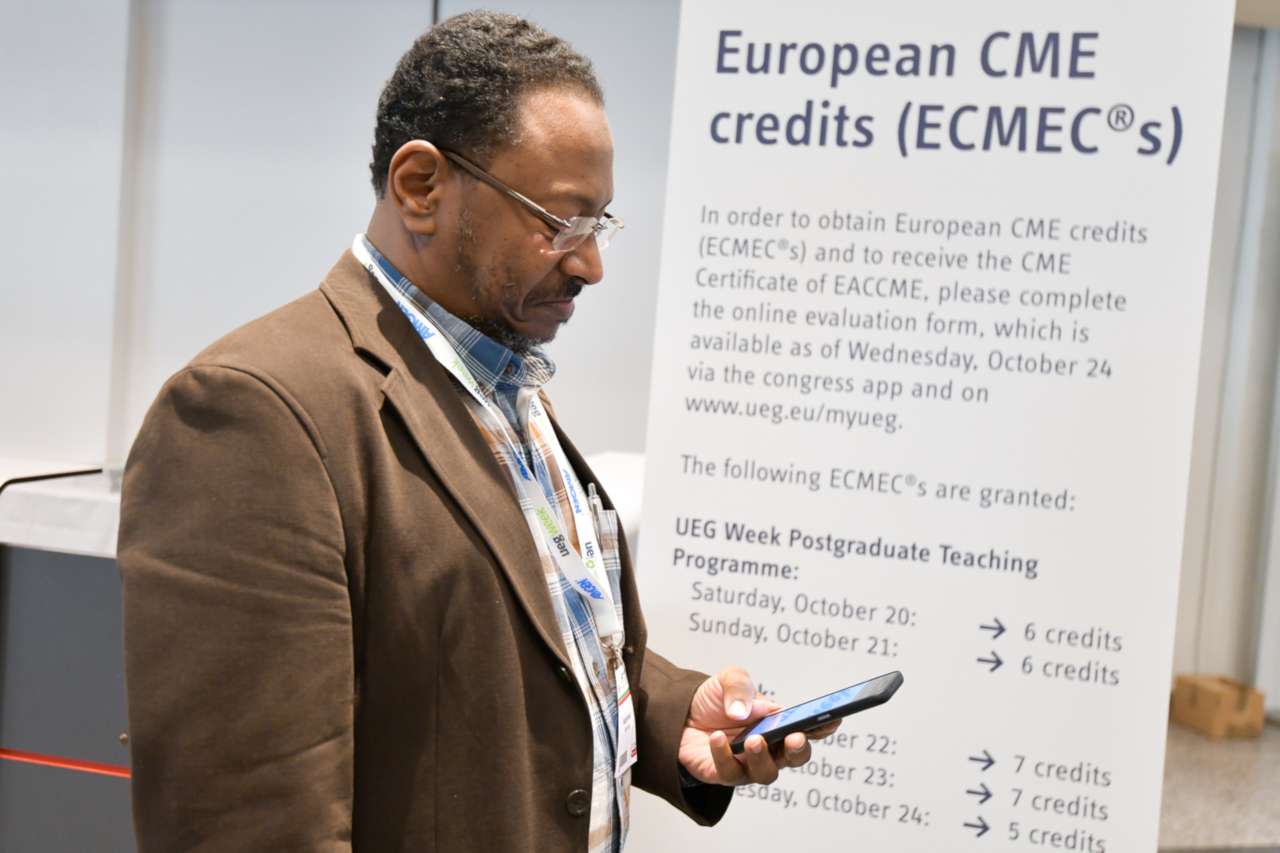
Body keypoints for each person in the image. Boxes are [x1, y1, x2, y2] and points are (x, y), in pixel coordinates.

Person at [118, 12, 833, 852]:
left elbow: (526, 644)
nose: (590, 264)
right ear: (421, 185)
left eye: (599, 224)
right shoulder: (252, 414)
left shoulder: (502, 382)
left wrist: (673, 715)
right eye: (560, 221)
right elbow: (249, 823)